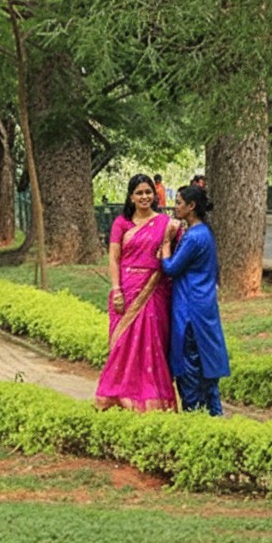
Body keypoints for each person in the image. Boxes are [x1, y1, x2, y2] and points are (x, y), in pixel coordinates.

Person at [95, 174, 178, 412]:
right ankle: (119, 396)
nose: (144, 197)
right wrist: (116, 289)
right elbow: (113, 257)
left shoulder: (166, 224)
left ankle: (151, 398)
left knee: (152, 344)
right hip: (127, 289)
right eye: (139, 193)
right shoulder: (122, 223)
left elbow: (173, 258)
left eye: (148, 192)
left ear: (155, 195)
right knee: (123, 345)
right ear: (131, 196)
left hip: (154, 290)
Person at [160, 185, 229, 416]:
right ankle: (214, 415)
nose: (175, 206)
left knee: (188, 365)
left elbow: (171, 268)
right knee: (206, 364)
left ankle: (194, 417)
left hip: (189, 307)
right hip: (204, 304)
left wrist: (166, 243)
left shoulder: (193, 237)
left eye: (179, 202)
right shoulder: (205, 233)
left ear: (192, 206)